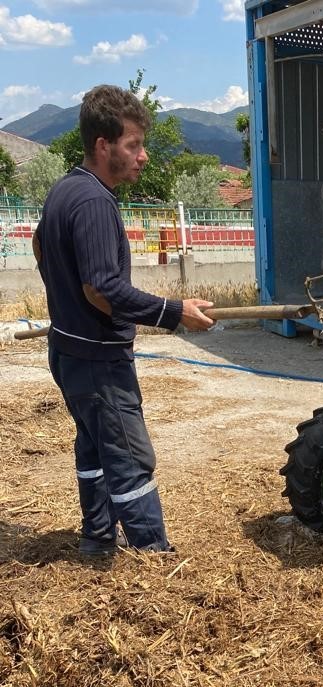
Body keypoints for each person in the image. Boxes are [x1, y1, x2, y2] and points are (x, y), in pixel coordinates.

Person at [33, 84, 214, 556]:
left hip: (67, 350)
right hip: (98, 359)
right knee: (130, 459)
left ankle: (97, 542)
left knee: (94, 450)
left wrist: (60, 290)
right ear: (103, 145)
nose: (143, 157)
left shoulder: (64, 190)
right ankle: (154, 557)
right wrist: (174, 313)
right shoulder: (95, 202)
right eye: (133, 145)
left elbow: (39, 247)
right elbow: (102, 289)